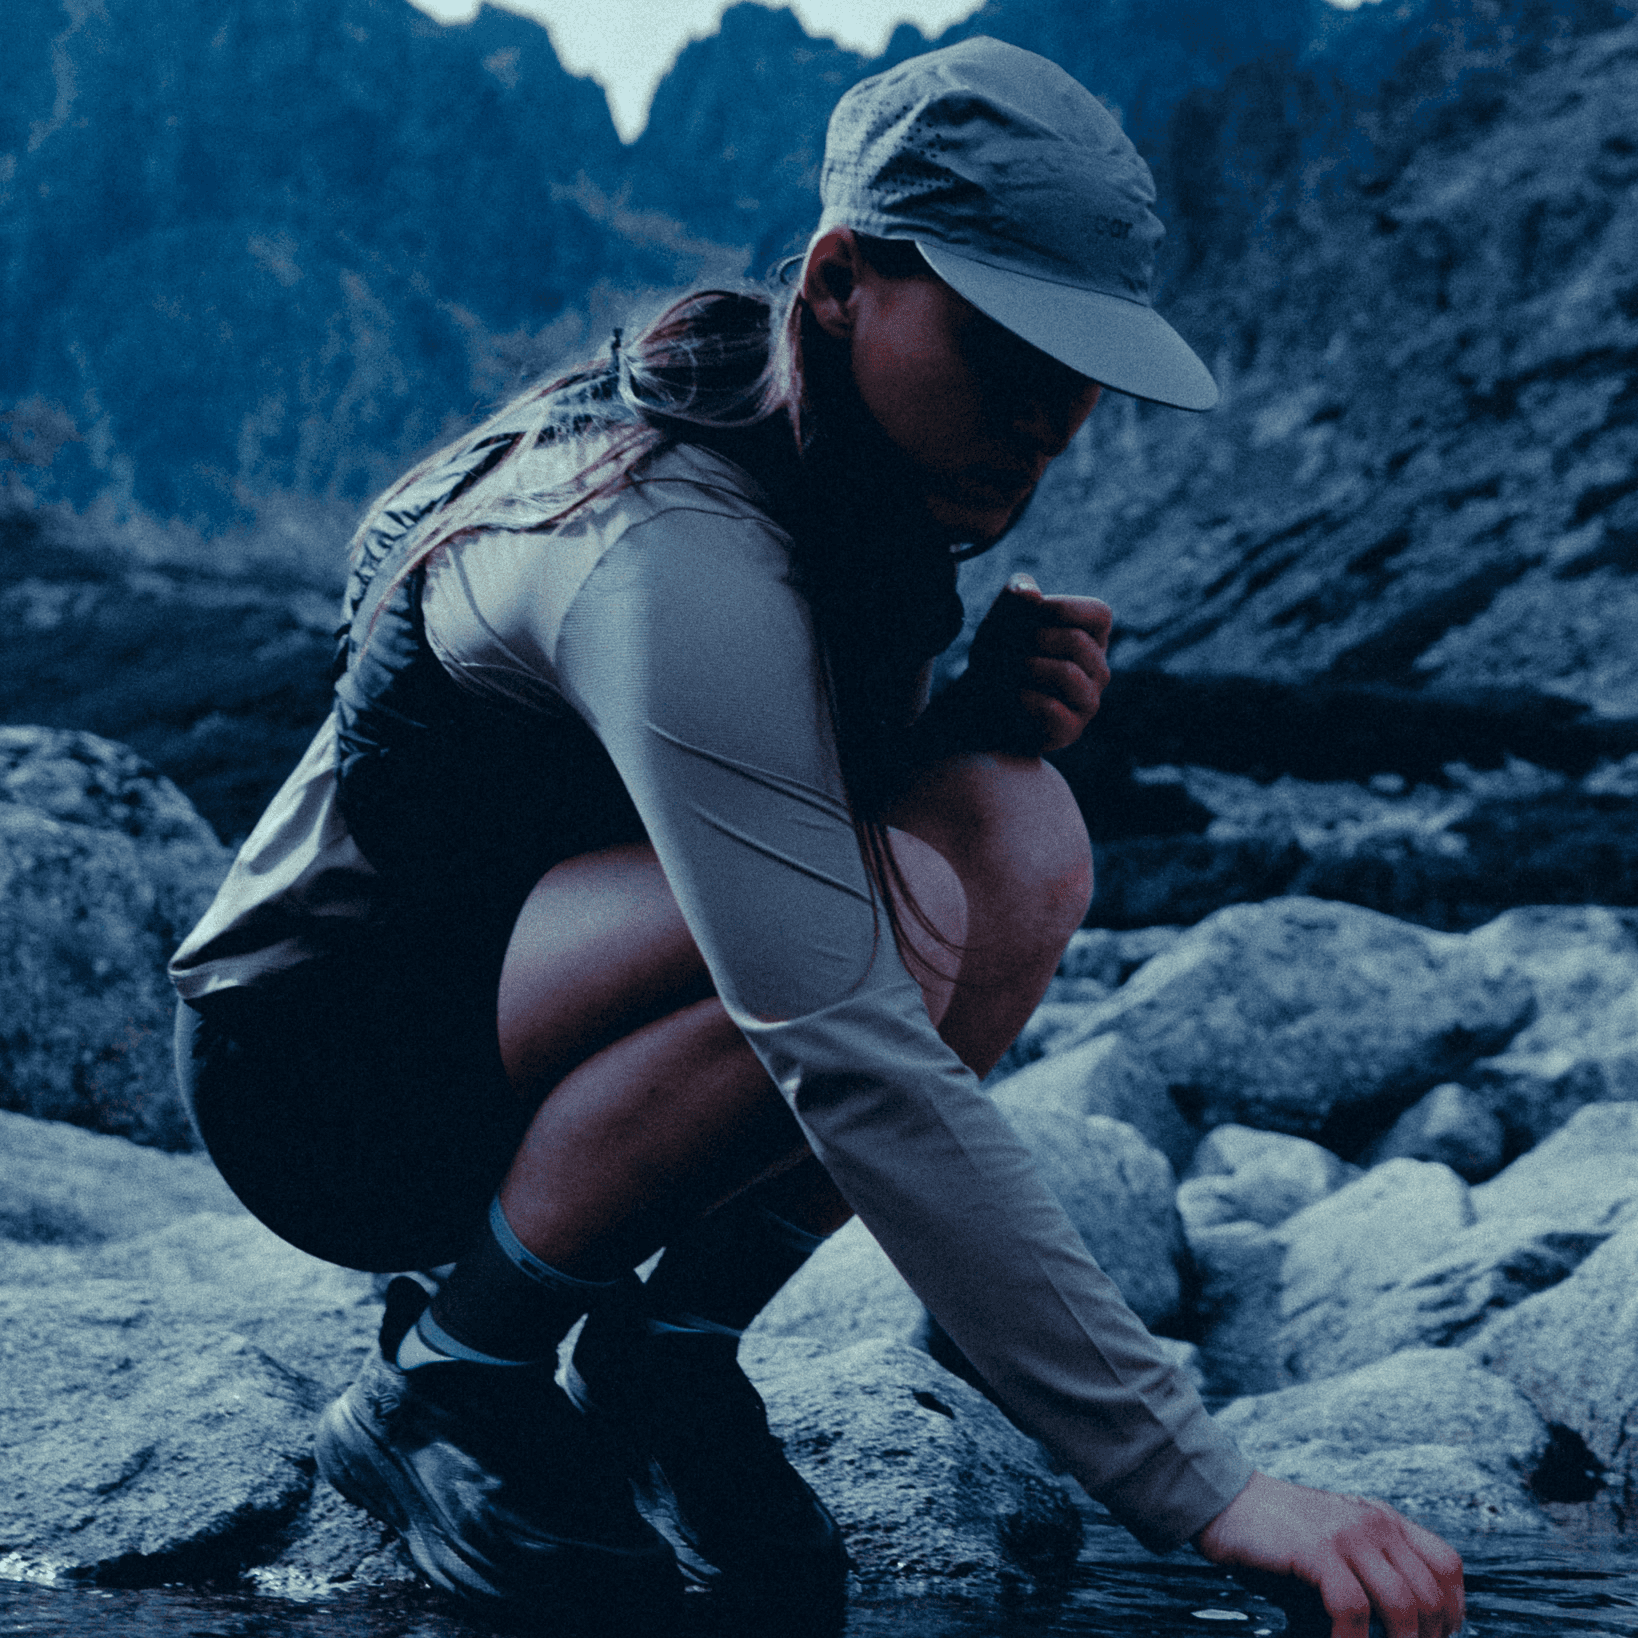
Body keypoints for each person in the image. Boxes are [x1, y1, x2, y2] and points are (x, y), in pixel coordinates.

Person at [169, 36, 1466, 1638]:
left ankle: (666, 1352)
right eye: (1005, 346)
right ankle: (453, 1377)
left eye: (1085, 371)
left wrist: (950, 721)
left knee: (1013, 824)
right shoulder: (660, 535)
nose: (1051, 417)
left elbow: (744, 823)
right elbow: (845, 1031)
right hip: (320, 1075)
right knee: (895, 910)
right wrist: (1203, 1485)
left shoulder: (850, 474)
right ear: (845, 280)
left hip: (519, 1006)